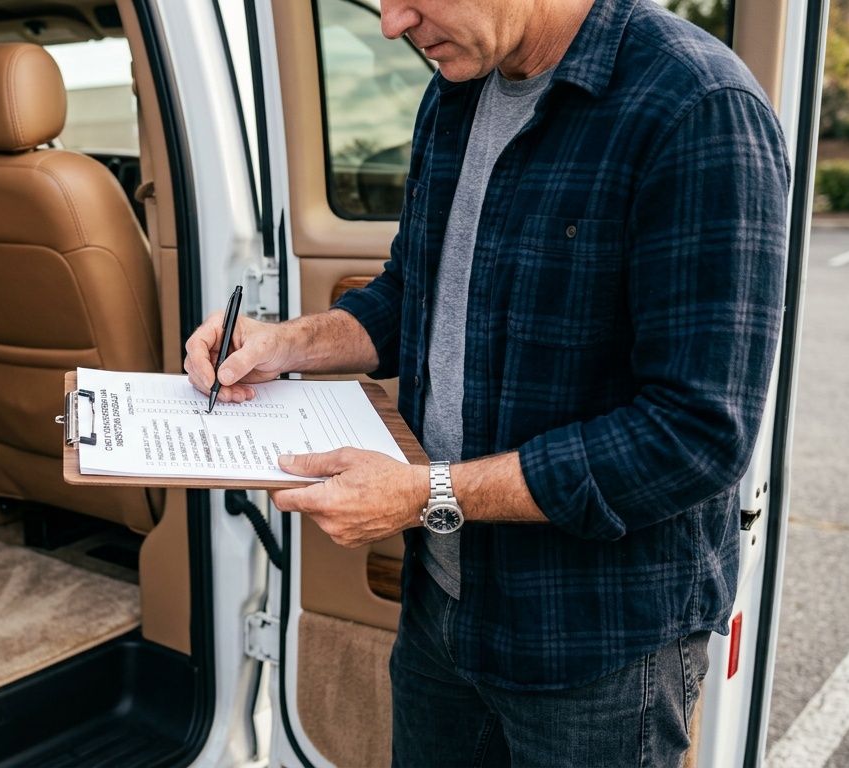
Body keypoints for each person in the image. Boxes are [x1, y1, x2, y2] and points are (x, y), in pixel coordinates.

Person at [184, 0, 789, 764]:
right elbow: (411, 294)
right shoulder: (459, 88)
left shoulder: (699, 107)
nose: (391, 24)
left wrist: (427, 492)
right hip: (444, 604)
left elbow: (695, 436)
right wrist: (281, 343)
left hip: (594, 642)